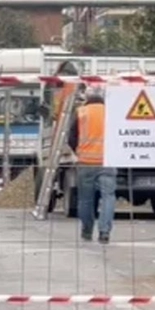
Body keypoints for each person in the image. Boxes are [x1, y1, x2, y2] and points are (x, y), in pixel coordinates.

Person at [68, 86, 116, 243]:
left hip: (85, 162)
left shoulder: (81, 112)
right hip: (108, 161)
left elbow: (71, 137)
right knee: (108, 196)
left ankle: (87, 230)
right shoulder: (112, 112)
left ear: (87, 97)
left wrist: (79, 151)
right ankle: (104, 232)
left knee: (85, 199)